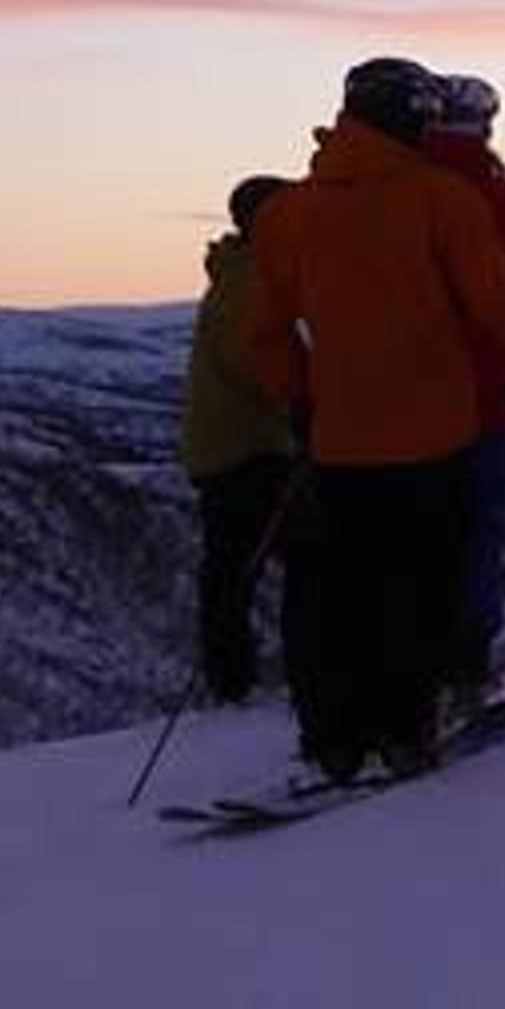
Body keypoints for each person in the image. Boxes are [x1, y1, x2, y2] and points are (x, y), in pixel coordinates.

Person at [243, 58, 505, 782]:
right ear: (411, 115)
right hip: (434, 431)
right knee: (418, 587)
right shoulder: (443, 200)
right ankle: (404, 731)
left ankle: (331, 740)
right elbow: (498, 312)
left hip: (337, 436)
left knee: (331, 593)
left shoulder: (291, 213)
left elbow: (265, 331)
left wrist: (300, 401)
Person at [423, 73, 505, 705]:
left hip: (395, 399)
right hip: (481, 395)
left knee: (411, 537)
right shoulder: (503, 203)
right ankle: (465, 669)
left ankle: (406, 667)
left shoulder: (399, 194)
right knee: (477, 530)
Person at [181, 173, 297, 703]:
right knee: (252, 568)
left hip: (236, 446)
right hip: (248, 450)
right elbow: (259, 370)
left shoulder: (242, 275)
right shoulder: (250, 282)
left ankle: (234, 680)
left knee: (234, 568)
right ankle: (236, 682)